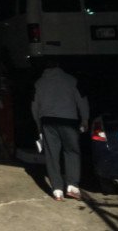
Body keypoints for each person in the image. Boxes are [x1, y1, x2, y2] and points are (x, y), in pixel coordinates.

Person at [31, 58, 89, 201]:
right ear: (59, 66)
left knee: (52, 155)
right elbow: (82, 100)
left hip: (47, 121)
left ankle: (57, 190)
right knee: (72, 152)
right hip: (69, 120)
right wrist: (85, 118)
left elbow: (34, 106)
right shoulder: (71, 80)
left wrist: (38, 125)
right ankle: (72, 186)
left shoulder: (39, 83)